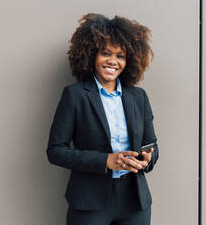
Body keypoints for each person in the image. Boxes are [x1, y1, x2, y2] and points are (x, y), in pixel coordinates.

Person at [46, 13, 159, 225]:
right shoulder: (75, 95)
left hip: (135, 203)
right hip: (89, 203)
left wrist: (147, 158)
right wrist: (106, 161)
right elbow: (55, 151)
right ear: (91, 55)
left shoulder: (138, 97)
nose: (113, 61)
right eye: (106, 53)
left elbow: (151, 144)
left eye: (121, 56)